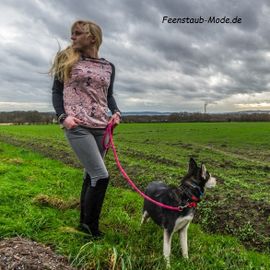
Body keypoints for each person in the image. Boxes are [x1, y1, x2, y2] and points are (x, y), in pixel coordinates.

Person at [50, 20, 121, 238]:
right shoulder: (67, 59)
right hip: (78, 125)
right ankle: (92, 228)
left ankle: (83, 222)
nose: (72, 37)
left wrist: (116, 111)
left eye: (77, 33)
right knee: (101, 176)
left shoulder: (109, 66)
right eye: (72, 34)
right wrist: (63, 117)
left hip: (101, 126)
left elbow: (107, 95)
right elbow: (56, 92)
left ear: (92, 37)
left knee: (91, 175)